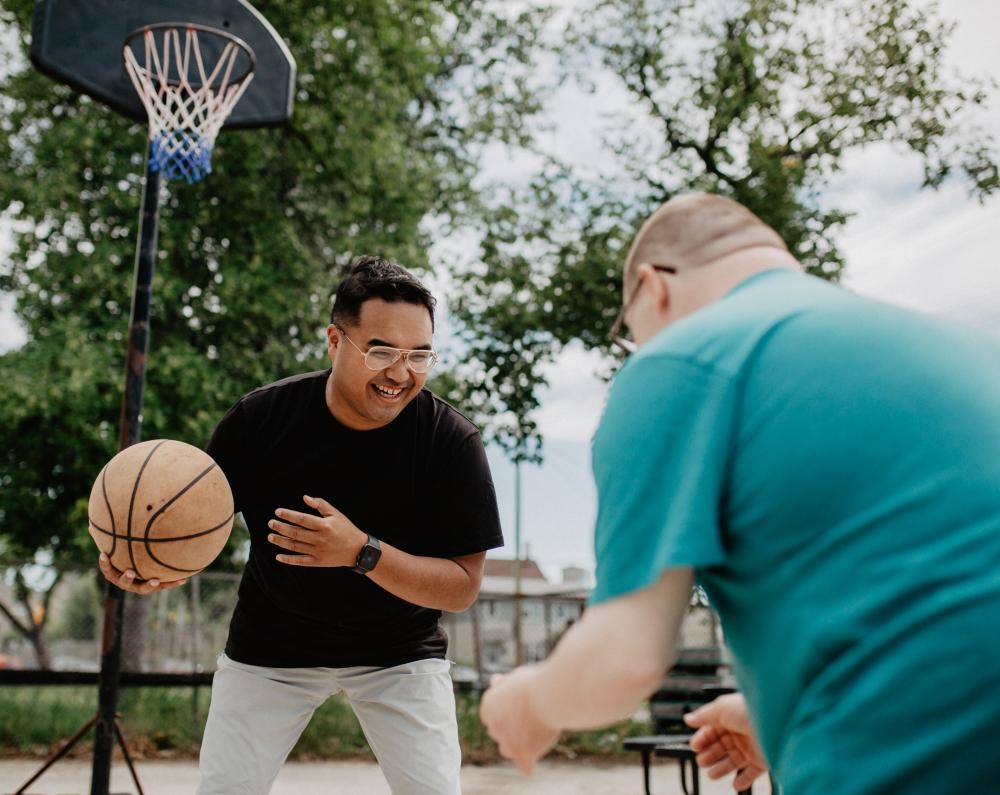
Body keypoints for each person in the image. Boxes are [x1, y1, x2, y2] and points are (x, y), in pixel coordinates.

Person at [479, 193, 1000, 794]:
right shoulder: (956, 346)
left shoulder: (682, 361)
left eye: (629, 335)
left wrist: (529, 701)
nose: (638, 351)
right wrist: (770, 718)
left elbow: (621, 662)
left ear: (654, 288)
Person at [100, 256, 504, 794]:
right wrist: (154, 569)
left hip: (398, 649)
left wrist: (362, 551)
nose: (400, 372)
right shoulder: (259, 421)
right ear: (335, 342)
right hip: (273, 642)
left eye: (419, 355)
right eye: (381, 350)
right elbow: (194, 525)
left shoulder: (450, 442)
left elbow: (462, 587)